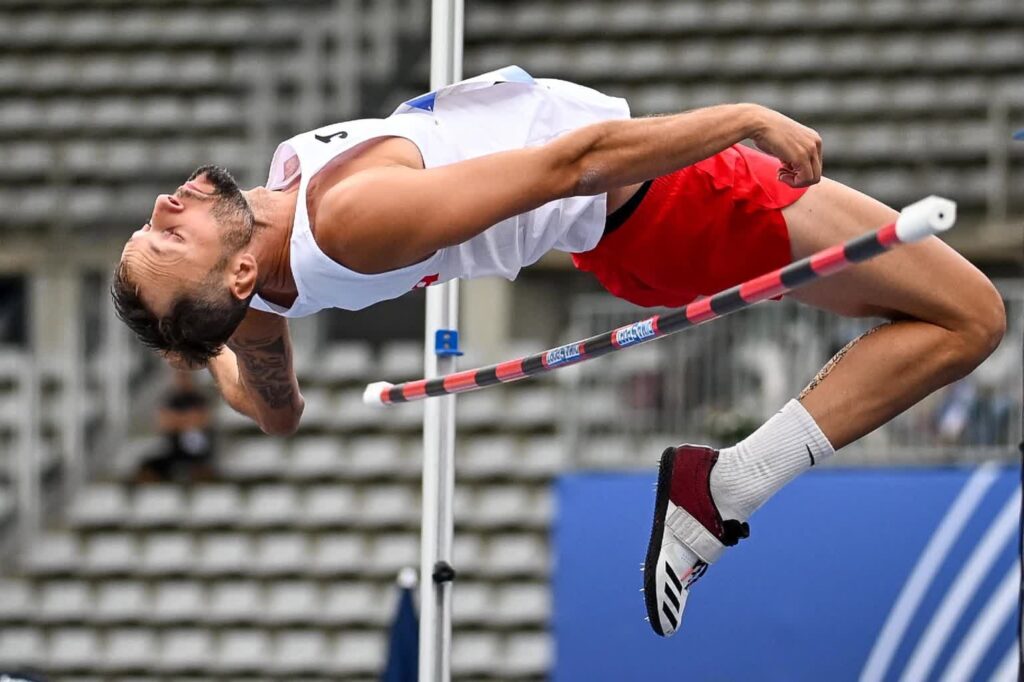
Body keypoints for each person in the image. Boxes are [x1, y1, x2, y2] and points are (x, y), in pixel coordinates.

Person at [110, 66, 1006, 636]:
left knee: (951, 314)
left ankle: (722, 486)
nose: (161, 208)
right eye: (167, 240)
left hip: (642, 229)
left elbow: (277, 412)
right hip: (666, 207)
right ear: (232, 278)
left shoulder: (263, 280)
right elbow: (572, 166)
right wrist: (743, 115)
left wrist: (208, 353)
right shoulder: (346, 219)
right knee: (970, 318)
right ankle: (724, 488)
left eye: (151, 227)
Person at [135, 370, 216, 484]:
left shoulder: (199, 398)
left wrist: (176, 420)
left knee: (201, 469)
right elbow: (163, 424)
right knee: (147, 467)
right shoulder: (171, 399)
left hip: (197, 453)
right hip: (175, 449)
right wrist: (187, 420)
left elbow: (202, 421)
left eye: (185, 377)